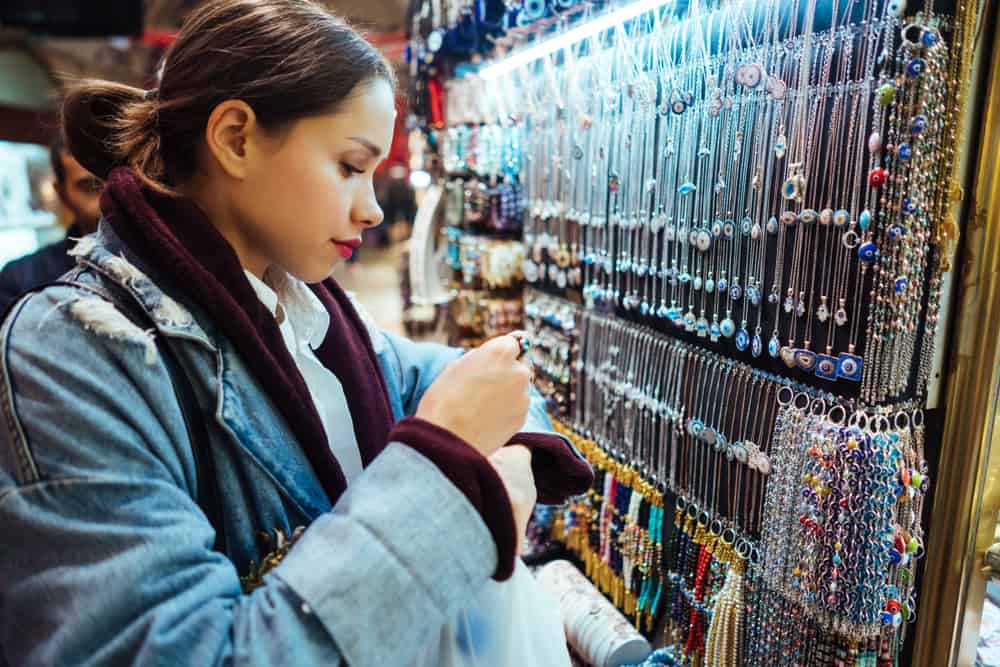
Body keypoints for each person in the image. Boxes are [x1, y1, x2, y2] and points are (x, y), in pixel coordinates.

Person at [0, 1, 592, 665]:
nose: (371, 208)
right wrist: (446, 476)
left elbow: (453, 373)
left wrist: (510, 456)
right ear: (236, 139)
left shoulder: (307, 312)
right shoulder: (77, 351)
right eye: (348, 165)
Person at [0, 137, 103, 313]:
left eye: (117, 182)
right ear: (62, 194)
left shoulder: (157, 256)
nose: (111, 197)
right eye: (91, 186)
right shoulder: (21, 279)